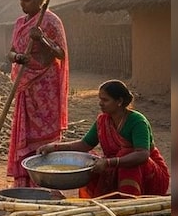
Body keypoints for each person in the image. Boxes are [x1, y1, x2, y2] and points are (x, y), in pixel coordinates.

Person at [38, 80, 170, 198]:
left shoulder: (137, 121)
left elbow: (142, 155)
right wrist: (54, 147)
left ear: (119, 101)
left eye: (105, 100)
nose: (100, 104)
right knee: (90, 160)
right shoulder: (103, 120)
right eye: (100, 99)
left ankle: (128, 203)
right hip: (115, 167)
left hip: (149, 176)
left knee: (126, 155)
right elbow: (85, 145)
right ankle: (99, 201)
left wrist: (108, 163)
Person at [6, 0, 69, 188]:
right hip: (25, 87)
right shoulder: (19, 23)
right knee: (26, 134)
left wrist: (42, 39)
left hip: (45, 89)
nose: (23, 4)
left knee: (43, 139)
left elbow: (61, 53)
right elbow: (11, 51)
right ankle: (25, 183)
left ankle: (45, 183)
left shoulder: (51, 21)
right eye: (21, 0)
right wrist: (17, 58)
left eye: (28, 0)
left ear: (40, 1)